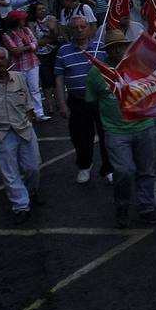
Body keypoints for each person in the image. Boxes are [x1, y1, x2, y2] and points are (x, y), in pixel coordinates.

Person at [87, 29, 156, 228]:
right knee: (124, 171)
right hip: (116, 131)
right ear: (107, 51)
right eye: (113, 47)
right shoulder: (97, 73)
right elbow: (91, 101)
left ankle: (146, 207)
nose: (118, 50)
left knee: (146, 171)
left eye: (121, 45)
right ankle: (122, 206)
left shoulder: (141, 67)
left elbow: (155, 91)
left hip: (144, 126)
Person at [0, 46, 42, 224]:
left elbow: (28, 104)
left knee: (33, 167)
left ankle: (30, 192)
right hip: (1, 134)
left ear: (7, 60)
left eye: (1, 58)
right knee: (10, 173)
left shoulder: (19, 78)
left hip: (24, 129)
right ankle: (21, 206)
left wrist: (28, 120)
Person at [53, 14, 113, 184]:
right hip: (78, 101)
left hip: (102, 101)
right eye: (75, 28)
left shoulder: (101, 48)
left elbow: (112, 72)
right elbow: (59, 78)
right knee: (80, 136)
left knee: (106, 135)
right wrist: (62, 104)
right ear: (70, 30)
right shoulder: (63, 51)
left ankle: (108, 168)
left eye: (82, 27)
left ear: (89, 28)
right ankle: (84, 166)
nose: (79, 30)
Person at [2, 11, 47, 121]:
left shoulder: (26, 30)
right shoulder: (7, 35)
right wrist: (29, 46)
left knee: (34, 88)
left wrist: (25, 47)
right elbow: (15, 51)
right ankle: (25, 114)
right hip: (18, 66)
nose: (24, 21)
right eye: (22, 20)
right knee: (21, 91)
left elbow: (35, 43)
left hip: (32, 63)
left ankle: (39, 113)